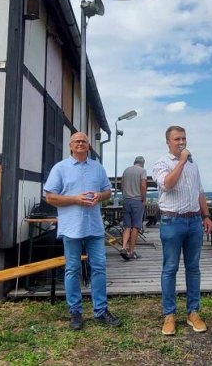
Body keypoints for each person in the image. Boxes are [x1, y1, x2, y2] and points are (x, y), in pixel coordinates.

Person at [44, 132, 122, 330]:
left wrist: (99, 196)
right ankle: (75, 312)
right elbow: (50, 197)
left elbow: (107, 192)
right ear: (70, 145)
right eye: (77, 141)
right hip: (71, 227)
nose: (80, 143)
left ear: (88, 145)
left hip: (94, 226)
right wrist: (74, 199)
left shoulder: (97, 168)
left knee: (99, 267)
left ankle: (101, 310)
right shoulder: (60, 168)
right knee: (72, 269)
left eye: (84, 141)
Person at [152, 125, 212, 336]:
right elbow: (168, 184)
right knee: (170, 268)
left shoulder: (193, 165)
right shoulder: (161, 163)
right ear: (168, 142)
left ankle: (193, 312)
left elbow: (200, 191)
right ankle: (169, 315)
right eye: (177, 139)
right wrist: (181, 161)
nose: (181, 142)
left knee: (193, 268)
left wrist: (206, 216)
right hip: (172, 222)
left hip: (194, 221)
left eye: (184, 138)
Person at [120, 155, 148, 260]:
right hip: (137, 201)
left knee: (127, 226)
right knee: (136, 226)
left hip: (126, 200)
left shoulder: (126, 170)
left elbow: (122, 185)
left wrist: (125, 195)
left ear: (134, 162)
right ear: (143, 163)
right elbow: (143, 186)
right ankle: (131, 252)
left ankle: (123, 247)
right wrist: (144, 200)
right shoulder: (142, 171)